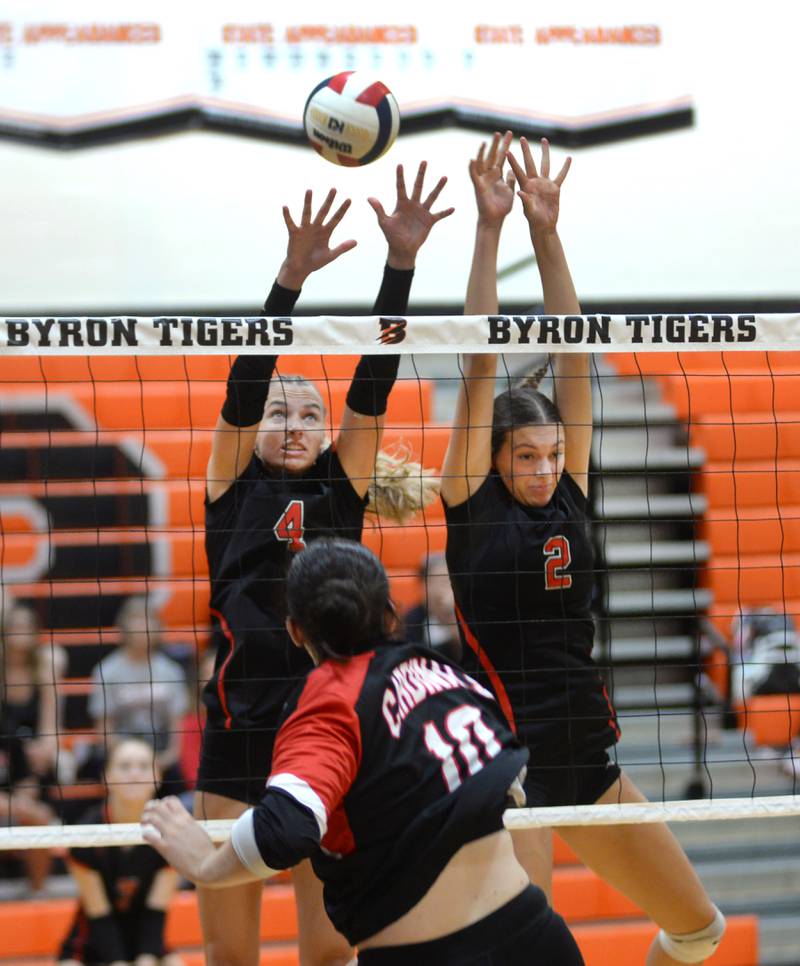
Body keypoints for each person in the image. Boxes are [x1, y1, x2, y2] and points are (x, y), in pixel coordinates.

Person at [439, 132, 726, 965]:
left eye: (553, 454)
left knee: (698, 932)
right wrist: (490, 230)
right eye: (526, 457)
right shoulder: (469, 499)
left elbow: (573, 344)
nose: (543, 469)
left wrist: (546, 230)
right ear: (494, 458)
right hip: (509, 762)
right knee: (532, 952)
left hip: (587, 757)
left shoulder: (574, 485)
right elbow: (480, 361)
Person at [196, 165, 451, 966]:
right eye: (284, 413)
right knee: (231, 956)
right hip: (238, 732)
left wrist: (399, 265)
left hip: (329, 731)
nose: (297, 424)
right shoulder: (233, 482)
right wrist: (290, 280)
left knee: (328, 951)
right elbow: (244, 388)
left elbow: (373, 383)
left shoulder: (343, 487)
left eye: (312, 413)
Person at [142, 538, 583, 965]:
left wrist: (205, 863)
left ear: (295, 631)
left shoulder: (329, 699)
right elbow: (512, 778)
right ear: (391, 616)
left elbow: (286, 829)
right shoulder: (441, 673)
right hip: (538, 938)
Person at [58, 737, 182, 966]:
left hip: (146, 940)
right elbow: (99, 917)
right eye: (125, 766)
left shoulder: (170, 832)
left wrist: (145, 960)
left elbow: (156, 913)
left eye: (144, 766)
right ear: (107, 777)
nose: (135, 774)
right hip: (92, 941)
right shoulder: (86, 833)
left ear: (158, 777)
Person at [89, 597, 188, 793]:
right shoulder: (107, 671)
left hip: (161, 755)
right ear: (123, 627)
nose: (142, 625)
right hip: (121, 753)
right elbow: (104, 730)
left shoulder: (171, 671)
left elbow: (178, 726)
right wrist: (133, 762)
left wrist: (165, 759)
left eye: (147, 619)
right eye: (136, 619)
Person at [403, 553, 461, 661]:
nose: (447, 588)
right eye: (442, 581)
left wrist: (452, 615)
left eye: (451, 581)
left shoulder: (465, 617)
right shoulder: (412, 618)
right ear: (424, 586)